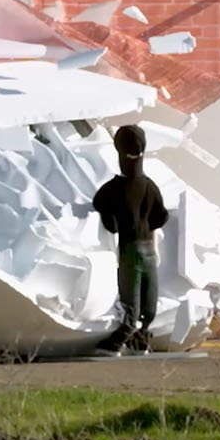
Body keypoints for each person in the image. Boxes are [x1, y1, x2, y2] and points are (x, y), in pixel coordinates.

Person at [92, 124, 168, 355]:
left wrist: (112, 220)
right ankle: (141, 337)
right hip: (149, 250)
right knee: (149, 302)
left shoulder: (113, 189)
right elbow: (161, 217)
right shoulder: (150, 186)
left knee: (131, 302)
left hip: (130, 250)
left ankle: (120, 340)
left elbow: (101, 209)